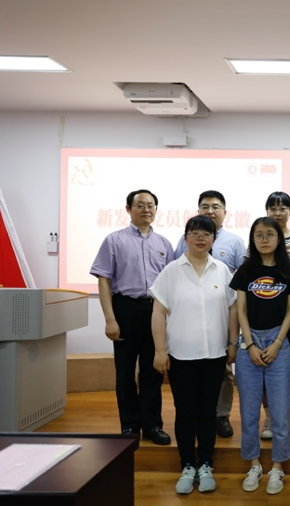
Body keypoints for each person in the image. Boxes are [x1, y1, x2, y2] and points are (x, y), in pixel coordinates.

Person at [150, 215, 238, 494]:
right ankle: (188, 464)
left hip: (214, 355)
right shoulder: (171, 271)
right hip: (181, 356)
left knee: (208, 412)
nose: (201, 238)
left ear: (214, 239)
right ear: (186, 237)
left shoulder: (223, 271)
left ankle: (206, 464)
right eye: (195, 232)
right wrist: (160, 350)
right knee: (186, 412)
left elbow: (233, 309)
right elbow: (158, 312)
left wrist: (233, 343)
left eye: (207, 233)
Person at [90, 189, 174, 445]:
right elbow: (104, 281)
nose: (146, 209)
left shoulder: (164, 244)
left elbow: (170, 285)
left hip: (155, 311)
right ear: (128, 209)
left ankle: (152, 425)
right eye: (140, 205)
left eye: (151, 205)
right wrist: (110, 319)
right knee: (125, 372)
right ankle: (129, 425)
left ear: (156, 210)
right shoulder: (114, 241)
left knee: (153, 372)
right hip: (125, 309)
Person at [231, 217, 290, 494]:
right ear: (253, 239)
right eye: (259, 235)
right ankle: (254, 464)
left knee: (280, 413)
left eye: (270, 234)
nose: (264, 240)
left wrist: (278, 342)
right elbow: (240, 310)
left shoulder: (289, 271)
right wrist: (249, 344)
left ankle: (278, 467)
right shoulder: (245, 270)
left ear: (279, 239)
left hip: (278, 344)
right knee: (248, 412)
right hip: (249, 343)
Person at [174, 190, 246, 438]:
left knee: (223, 371)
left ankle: (221, 416)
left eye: (216, 207)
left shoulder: (235, 242)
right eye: (205, 206)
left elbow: (243, 280)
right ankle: (196, 415)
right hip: (190, 320)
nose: (210, 211)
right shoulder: (184, 240)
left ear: (225, 212)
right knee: (193, 373)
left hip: (221, 315)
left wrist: (234, 336)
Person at [260, 191, 290, 440]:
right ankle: (269, 416)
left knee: (287, 371)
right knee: (263, 369)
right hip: (262, 312)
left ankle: (282, 415)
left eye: (283, 208)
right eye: (273, 208)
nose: (278, 213)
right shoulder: (260, 235)